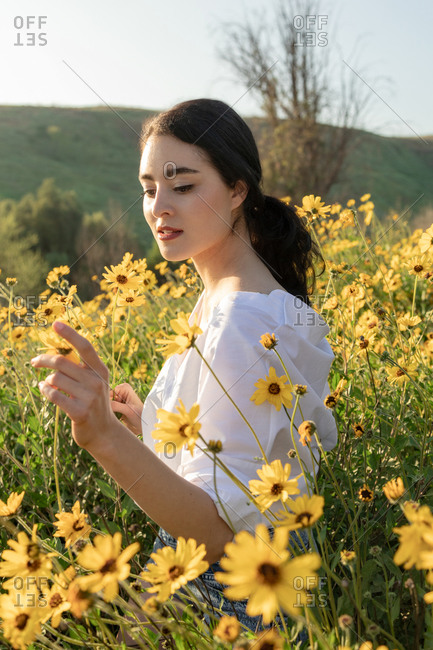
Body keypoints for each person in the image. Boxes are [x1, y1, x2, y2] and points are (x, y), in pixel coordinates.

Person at [30, 99, 338, 641]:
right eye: (149, 188)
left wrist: (101, 437)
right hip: (255, 585)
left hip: (225, 605)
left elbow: (220, 533)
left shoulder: (241, 320)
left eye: (184, 185)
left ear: (238, 190)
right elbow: (234, 472)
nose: (158, 207)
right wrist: (142, 428)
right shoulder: (238, 298)